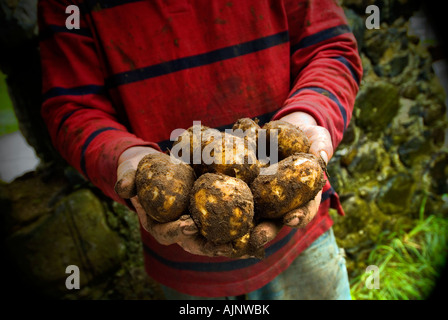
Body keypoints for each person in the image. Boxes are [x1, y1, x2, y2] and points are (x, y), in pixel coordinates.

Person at [38, 0, 362, 299]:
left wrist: (305, 117)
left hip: (297, 238)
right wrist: (126, 157)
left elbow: (331, 47)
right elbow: (71, 107)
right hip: (182, 260)